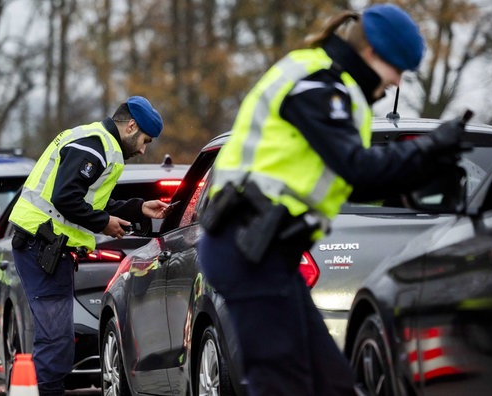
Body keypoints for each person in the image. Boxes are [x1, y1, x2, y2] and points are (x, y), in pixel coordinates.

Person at [197, 4, 469, 396]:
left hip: (268, 252)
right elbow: (356, 167)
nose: (396, 83)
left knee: (332, 384)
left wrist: (424, 169)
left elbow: (353, 182)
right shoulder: (316, 84)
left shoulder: (335, 89)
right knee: (282, 384)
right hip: (247, 248)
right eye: (397, 70)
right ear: (373, 54)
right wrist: (429, 148)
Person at [8, 96, 170, 395]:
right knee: (55, 341)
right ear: (131, 126)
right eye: (145, 140)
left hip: (47, 248)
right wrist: (103, 222)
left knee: (56, 340)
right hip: (41, 246)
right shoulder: (94, 145)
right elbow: (66, 198)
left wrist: (138, 208)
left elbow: (91, 200)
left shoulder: (96, 143)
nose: (144, 149)